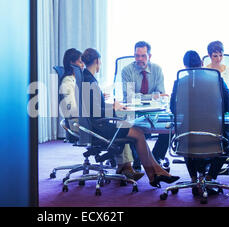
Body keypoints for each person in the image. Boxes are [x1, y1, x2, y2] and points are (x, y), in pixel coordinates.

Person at [81, 48, 179, 187]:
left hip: (96, 124)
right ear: (97, 61)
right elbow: (95, 112)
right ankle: (155, 173)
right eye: (100, 62)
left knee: (136, 130)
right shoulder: (90, 80)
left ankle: (155, 172)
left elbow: (92, 107)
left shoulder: (85, 77)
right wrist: (113, 107)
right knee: (138, 133)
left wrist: (111, 106)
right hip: (99, 127)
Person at [60, 48, 143, 181]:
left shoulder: (83, 79)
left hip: (86, 121)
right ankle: (128, 166)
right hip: (81, 124)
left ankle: (125, 166)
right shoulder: (70, 82)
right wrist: (94, 101)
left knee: (123, 125)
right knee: (124, 127)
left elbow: (89, 106)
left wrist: (95, 98)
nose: (82, 65)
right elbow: (74, 109)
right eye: (80, 63)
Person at [170, 50, 229, 195]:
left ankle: (194, 179)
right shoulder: (217, 80)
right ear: (202, 63)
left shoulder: (179, 83)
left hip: (187, 138)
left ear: (185, 66)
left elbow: (172, 108)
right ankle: (210, 177)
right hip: (214, 137)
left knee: (186, 131)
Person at [121, 41, 170, 169]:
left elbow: (160, 94)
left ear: (150, 56)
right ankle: (137, 161)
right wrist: (151, 96)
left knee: (170, 127)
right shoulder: (127, 71)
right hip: (133, 112)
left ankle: (155, 157)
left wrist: (143, 97)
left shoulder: (157, 69)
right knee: (129, 126)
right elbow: (130, 97)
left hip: (154, 112)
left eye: (143, 56)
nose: (139, 59)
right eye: (137, 56)